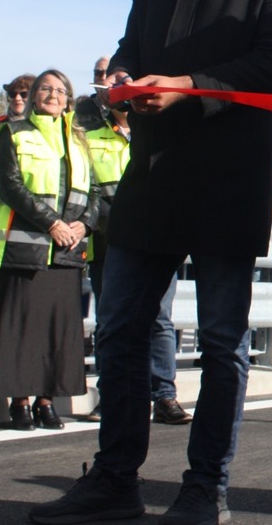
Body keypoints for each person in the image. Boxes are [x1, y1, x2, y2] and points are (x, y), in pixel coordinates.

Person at [31, 0, 272, 525]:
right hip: (152, 175)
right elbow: (132, 42)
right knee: (119, 330)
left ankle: (204, 489)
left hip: (228, 176)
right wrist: (126, 74)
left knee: (221, 344)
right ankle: (115, 478)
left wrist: (186, 87)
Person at [0, 69, 98, 431]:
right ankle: (19, 402)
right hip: (24, 249)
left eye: (60, 90)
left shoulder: (79, 140)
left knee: (55, 331)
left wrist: (86, 224)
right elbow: (10, 185)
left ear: (68, 99)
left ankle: (46, 400)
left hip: (67, 252)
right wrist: (52, 224)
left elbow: (94, 192)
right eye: (46, 88)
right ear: (34, 95)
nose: (53, 94)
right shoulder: (12, 133)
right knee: (21, 329)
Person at [82, 99, 192, 426]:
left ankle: (164, 395)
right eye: (110, 80)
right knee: (111, 321)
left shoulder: (163, 127)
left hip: (157, 232)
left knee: (160, 318)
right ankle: (112, 397)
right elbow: (85, 186)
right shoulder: (89, 135)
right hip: (110, 238)